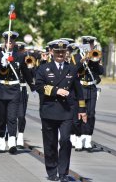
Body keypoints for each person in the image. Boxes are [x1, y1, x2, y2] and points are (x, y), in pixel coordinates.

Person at [35, 39, 87, 182]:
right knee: (50, 143)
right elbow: (39, 86)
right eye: (57, 52)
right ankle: (52, 171)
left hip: (67, 111)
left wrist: (82, 109)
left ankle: (63, 173)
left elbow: (78, 90)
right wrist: (56, 90)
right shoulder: (43, 68)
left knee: (65, 140)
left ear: (66, 53)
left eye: (62, 52)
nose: (60, 54)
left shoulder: (71, 68)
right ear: (52, 52)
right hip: (49, 109)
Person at [0, 31, 35, 154]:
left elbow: (25, 72)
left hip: (14, 89)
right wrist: (1, 63)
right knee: (0, 118)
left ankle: (11, 143)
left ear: (14, 42)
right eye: (7, 41)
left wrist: (33, 87)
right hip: (0, 89)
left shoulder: (19, 56)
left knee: (12, 117)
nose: (9, 43)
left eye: (11, 41)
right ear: (4, 42)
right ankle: (1, 142)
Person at [71, 36, 103, 151]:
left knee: (91, 114)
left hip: (91, 89)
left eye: (91, 44)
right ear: (82, 45)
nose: (89, 46)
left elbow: (101, 72)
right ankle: (78, 138)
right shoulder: (75, 57)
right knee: (79, 114)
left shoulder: (96, 56)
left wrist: (96, 62)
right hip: (79, 89)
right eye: (87, 44)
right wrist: (83, 60)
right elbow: (73, 71)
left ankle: (87, 138)